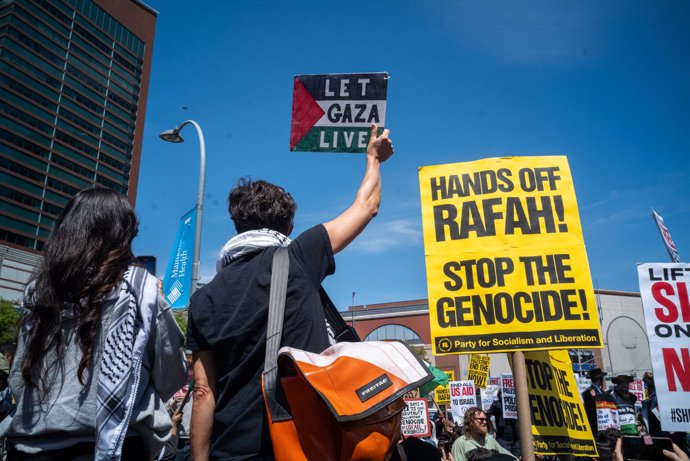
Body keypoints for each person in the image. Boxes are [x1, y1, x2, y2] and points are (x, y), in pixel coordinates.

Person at [187, 123, 394, 460]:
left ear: (237, 225)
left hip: (231, 449)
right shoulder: (299, 256)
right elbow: (366, 206)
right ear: (288, 227)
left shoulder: (203, 299)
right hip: (301, 443)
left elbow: (202, 391)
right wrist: (374, 159)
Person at [2, 187, 187, 460]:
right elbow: (172, 374)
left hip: (31, 445)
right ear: (122, 235)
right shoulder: (140, 292)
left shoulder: (37, 293)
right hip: (116, 443)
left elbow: (19, 376)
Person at [451, 407, 516, 461]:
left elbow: (507, 455)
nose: (484, 422)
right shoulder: (460, 443)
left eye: (485, 419)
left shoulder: (489, 439)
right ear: (470, 421)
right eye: (481, 419)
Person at [581, 368, 607, 436]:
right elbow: (591, 410)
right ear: (600, 379)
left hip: (604, 424)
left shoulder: (602, 391)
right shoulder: (588, 392)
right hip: (596, 425)